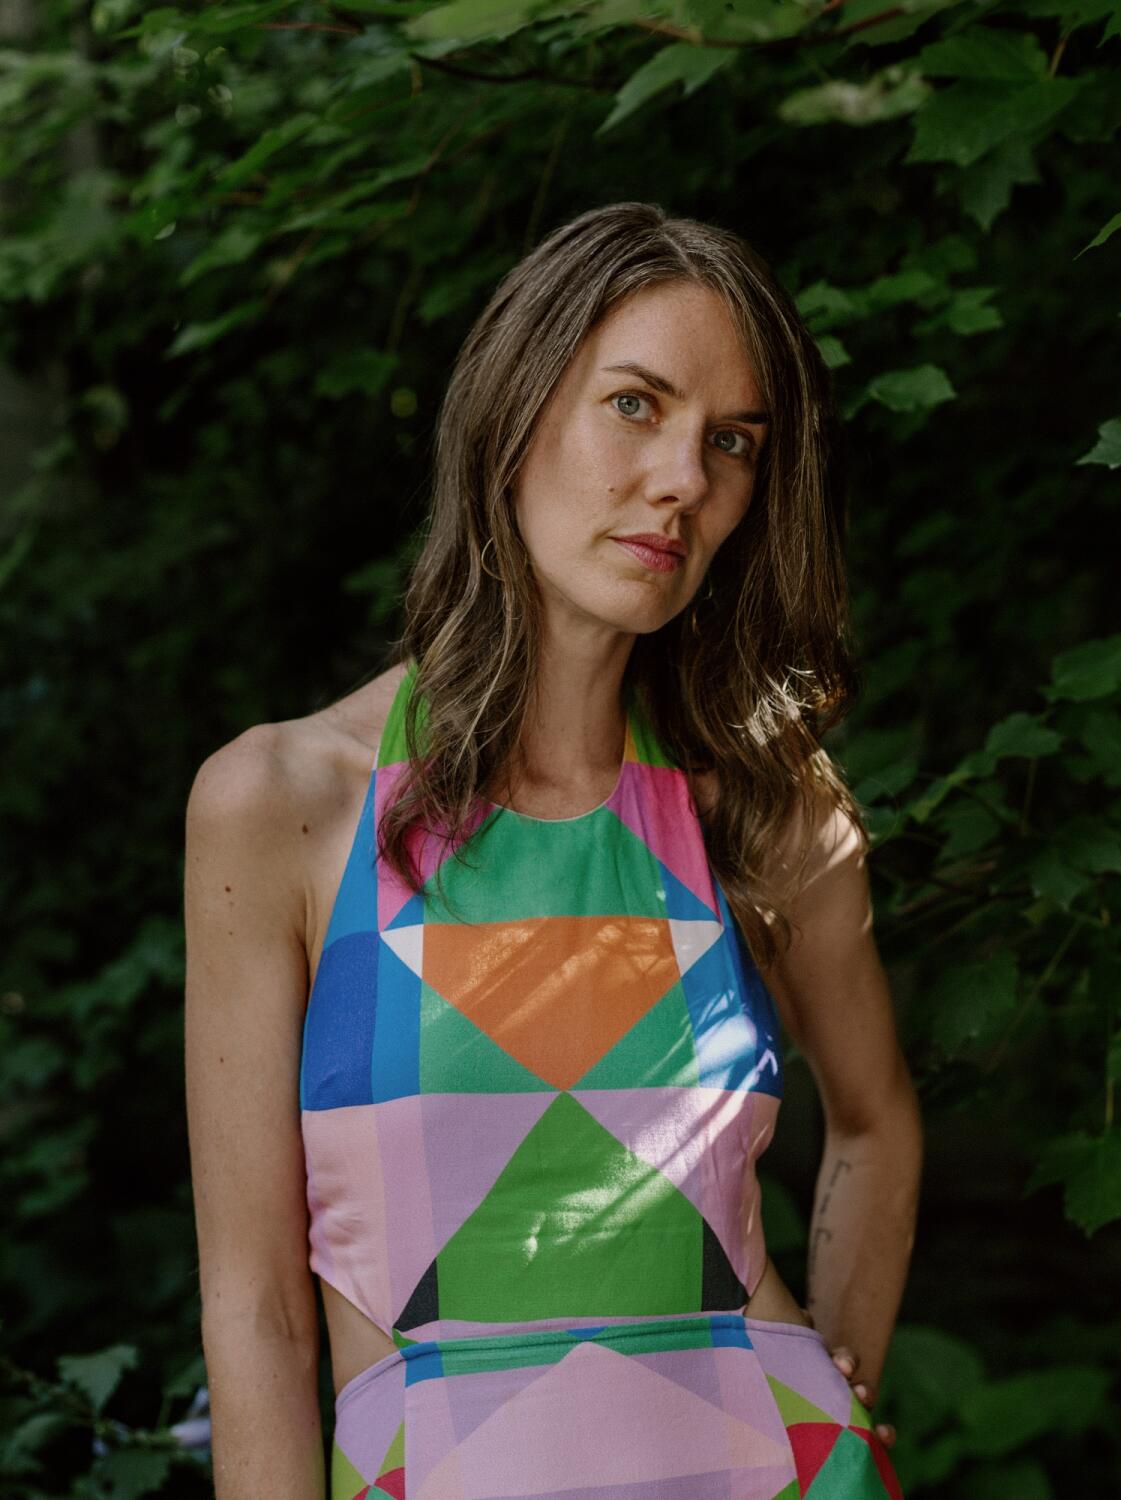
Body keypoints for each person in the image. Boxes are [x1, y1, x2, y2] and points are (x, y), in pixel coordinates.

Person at [183, 200, 922, 1499]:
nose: (684, 480)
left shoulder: (763, 803)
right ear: (517, 414)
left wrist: (835, 1403)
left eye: (731, 443)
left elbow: (876, 1122)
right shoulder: (284, 805)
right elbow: (255, 1306)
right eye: (635, 405)